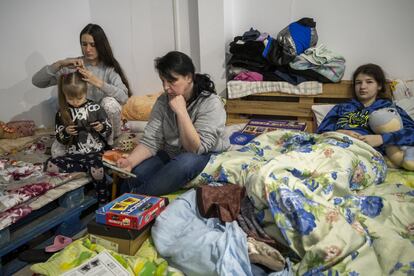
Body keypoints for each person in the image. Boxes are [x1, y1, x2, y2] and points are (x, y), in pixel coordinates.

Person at [116, 51, 230, 196]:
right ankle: (132, 196)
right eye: (163, 81)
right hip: (172, 153)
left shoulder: (211, 103)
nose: (165, 87)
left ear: (188, 77)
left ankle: (136, 197)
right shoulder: (163, 101)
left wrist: (181, 112)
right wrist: (130, 162)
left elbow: (196, 149)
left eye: (171, 81)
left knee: (184, 163)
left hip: (205, 155)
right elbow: (150, 141)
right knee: (137, 173)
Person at [32, 23, 130, 153]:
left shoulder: (108, 69)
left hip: (104, 127)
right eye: (84, 44)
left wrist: (98, 82)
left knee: (110, 103)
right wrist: (60, 64)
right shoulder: (73, 66)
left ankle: (108, 143)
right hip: (80, 128)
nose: (88, 49)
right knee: (57, 152)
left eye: (93, 45)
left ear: (101, 45)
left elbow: (124, 97)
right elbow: (38, 82)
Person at [44, 71, 112, 203]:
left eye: (79, 98)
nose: (75, 102)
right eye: (70, 99)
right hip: (74, 154)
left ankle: (103, 201)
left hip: (95, 152)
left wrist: (102, 127)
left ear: (86, 92)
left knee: (96, 170)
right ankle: (88, 169)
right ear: (65, 96)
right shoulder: (62, 113)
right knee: (50, 165)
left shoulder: (96, 108)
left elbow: (108, 130)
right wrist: (66, 132)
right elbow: (60, 138)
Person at [317, 63, 414, 151]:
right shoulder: (342, 107)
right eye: (358, 82)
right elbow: (321, 133)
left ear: (379, 85)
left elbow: (411, 132)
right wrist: (339, 132)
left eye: (369, 82)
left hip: (368, 152)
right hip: (336, 148)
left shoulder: (390, 109)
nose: (363, 87)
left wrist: (381, 139)